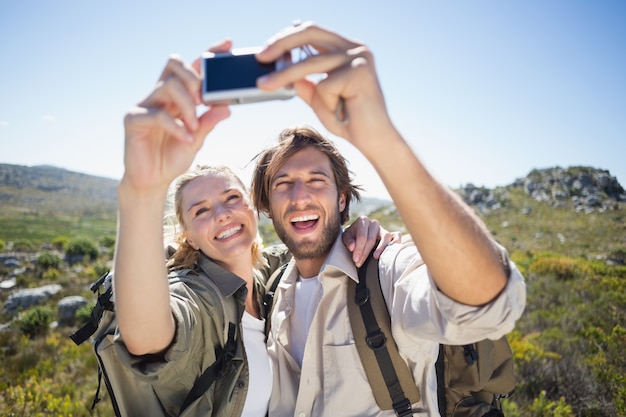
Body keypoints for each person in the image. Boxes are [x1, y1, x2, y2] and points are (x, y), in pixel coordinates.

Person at [249, 22, 527, 416]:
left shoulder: (384, 269)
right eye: (283, 184)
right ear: (267, 204)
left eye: (316, 180)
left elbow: (485, 309)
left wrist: (379, 136)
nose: (300, 196)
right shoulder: (272, 287)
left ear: (342, 198)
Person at [113, 42, 399, 416]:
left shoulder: (274, 274)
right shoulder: (199, 293)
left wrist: (355, 230)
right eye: (200, 210)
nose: (221, 214)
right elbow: (146, 338)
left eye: (231, 198)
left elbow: (315, 245)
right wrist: (141, 192)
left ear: (252, 207)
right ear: (188, 237)